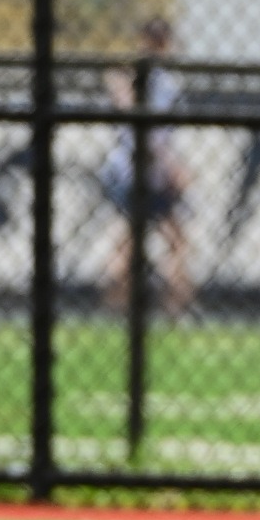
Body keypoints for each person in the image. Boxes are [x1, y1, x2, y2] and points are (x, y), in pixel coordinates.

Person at [100, 17, 194, 317]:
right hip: (147, 170)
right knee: (157, 242)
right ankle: (168, 307)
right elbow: (151, 132)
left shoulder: (133, 78)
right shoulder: (158, 82)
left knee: (145, 241)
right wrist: (173, 166)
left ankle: (122, 305)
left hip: (133, 168)